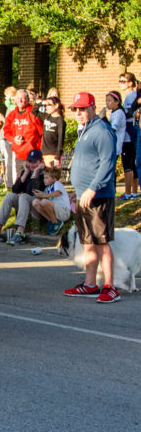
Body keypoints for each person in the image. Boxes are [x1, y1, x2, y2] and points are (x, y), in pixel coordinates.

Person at [63, 92, 120, 302]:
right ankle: (90, 283)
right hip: (84, 196)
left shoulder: (102, 131)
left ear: (93, 108)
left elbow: (107, 163)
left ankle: (110, 286)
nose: (78, 113)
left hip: (99, 196)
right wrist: (77, 191)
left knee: (101, 241)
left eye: (83, 109)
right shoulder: (85, 130)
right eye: (76, 109)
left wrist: (93, 188)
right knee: (88, 241)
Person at [0, 149, 46, 245]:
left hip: (38, 208)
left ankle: (20, 232)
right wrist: (26, 172)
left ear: (41, 162)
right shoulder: (27, 172)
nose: (32, 164)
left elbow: (34, 191)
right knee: (10, 195)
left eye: (35, 162)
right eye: (30, 161)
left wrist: (36, 172)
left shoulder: (44, 174)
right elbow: (15, 189)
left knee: (24, 196)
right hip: (26, 205)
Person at [3, 89, 43, 178]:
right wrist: (13, 139)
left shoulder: (34, 113)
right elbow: (6, 132)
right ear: (15, 100)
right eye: (19, 98)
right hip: (19, 154)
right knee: (21, 179)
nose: (21, 100)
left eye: (23, 98)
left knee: (33, 181)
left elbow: (42, 132)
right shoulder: (12, 115)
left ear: (28, 100)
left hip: (33, 154)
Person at [31, 166, 72, 235]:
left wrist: (44, 195)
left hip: (64, 211)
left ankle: (56, 223)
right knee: (35, 202)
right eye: (44, 178)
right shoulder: (47, 188)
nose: (44, 180)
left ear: (54, 179)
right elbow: (44, 199)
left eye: (47, 178)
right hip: (56, 211)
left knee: (44, 202)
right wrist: (39, 195)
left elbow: (57, 193)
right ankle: (52, 222)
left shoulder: (57, 184)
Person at [120, 73, 138, 198]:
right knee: (134, 163)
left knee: (129, 163)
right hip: (131, 132)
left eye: (123, 81)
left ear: (130, 83)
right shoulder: (131, 96)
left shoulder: (131, 96)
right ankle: (134, 191)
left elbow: (129, 113)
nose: (120, 83)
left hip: (129, 133)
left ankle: (128, 192)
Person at [38, 96, 65, 168]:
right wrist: (41, 103)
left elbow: (61, 140)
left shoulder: (60, 121)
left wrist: (57, 157)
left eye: (49, 105)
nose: (46, 107)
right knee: (43, 177)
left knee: (49, 177)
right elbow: (34, 112)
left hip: (52, 154)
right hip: (43, 153)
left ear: (56, 105)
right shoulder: (47, 116)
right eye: (45, 105)